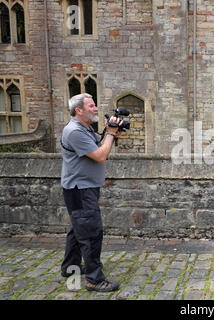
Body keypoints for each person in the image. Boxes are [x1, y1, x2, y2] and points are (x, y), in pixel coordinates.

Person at [60, 93, 122, 292]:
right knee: (91, 233)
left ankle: (70, 268)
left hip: (83, 187)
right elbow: (101, 156)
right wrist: (111, 133)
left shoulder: (85, 129)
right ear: (79, 110)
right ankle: (94, 280)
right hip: (80, 190)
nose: (95, 108)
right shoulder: (74, 131)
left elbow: (100, 146)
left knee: (77, 229)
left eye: (95, 105)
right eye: (91, 106)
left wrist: (110, 134)